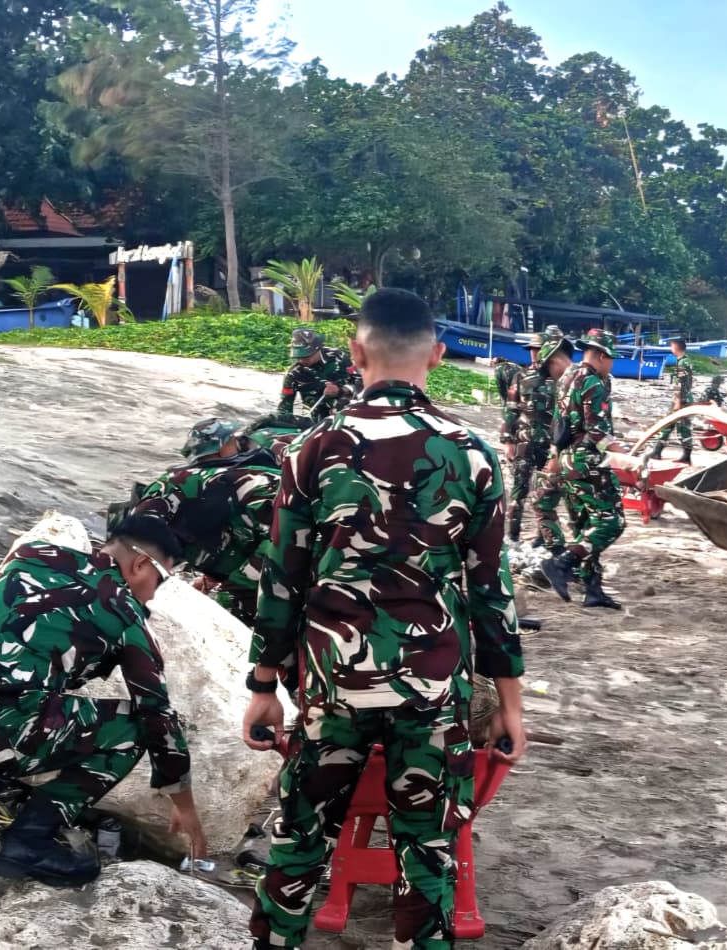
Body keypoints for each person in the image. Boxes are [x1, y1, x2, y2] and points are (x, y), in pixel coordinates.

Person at [243, 288, 527, 950]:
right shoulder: (471, 452)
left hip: (333, 683)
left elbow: (282, 579)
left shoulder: (313, 447)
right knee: (427, 853)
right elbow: (491, 592)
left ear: (354, 353)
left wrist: (263, 685)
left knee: (300, 838)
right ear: (438, 355)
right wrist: (511, 704)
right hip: (433, 687)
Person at [0, 515, 205, 887]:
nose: (154, 594)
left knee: (16, 692)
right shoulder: (126, 616)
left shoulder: (31, 554)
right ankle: (28, 841)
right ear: (141, 564)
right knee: (132, 728)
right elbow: (157, 717)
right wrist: (184, 804)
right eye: (161, 579)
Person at [122, 418, 280, 627]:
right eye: (234, 441)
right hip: (296, 547)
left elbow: (278, 542)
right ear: (222, 447)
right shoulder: (259, 472)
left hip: (289, 550)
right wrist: (214, 579)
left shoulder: (181, 481)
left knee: (230, 611)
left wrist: (232, 592)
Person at [539, 328, 631, 610]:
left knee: (586, 525)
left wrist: (555, 457)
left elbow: (558, 425)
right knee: (611, 522)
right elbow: (598, 431)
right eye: (611, 359)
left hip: (568, 459)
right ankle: (561, 563)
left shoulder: (567, 377)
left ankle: (593, 589)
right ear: (602, 356)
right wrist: (625, 457)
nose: (611, 365)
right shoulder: (593, 382)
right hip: (587, 461)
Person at [506, 332, 556, 543]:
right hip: (524, 442)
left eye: (538, 349)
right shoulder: (520, 376)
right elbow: (510, 410)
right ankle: (513, 536)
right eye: (532, 350)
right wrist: (508, 441)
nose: (534, 354)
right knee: (519, 491)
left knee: (546, 493)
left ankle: (542, 537)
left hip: (550, 445)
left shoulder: (558, 379)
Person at [530, 330, 576, 556]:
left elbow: (569, 425)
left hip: (573, 458)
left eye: (548, 368)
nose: (549, 374)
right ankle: (567, 557)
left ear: (555, 361)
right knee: (569, 507)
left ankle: (562, 557)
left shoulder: (572, 381)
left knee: (542, 501)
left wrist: (555, 455)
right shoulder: (575, 379)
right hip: (570, 456)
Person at [278, 327, 356, 420]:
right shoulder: (294, 374)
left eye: (306, 356)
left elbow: (359, 383)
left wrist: (341, 390)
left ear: (318, 349)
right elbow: (284, 407)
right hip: (316, 420)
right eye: (298, 357)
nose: (302, 360)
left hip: (348, 414)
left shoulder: (339, 357)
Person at [649, 337, 695, 464]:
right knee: (668, 424)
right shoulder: (685, 360)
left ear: (676, 347)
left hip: (682, 399)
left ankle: (686, 456)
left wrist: (678, 401)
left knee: (683, 427)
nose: (671, 348)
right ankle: (657, 451)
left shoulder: (682, 363)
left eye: (671, 346)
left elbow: (681, 383)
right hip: (682, 397)